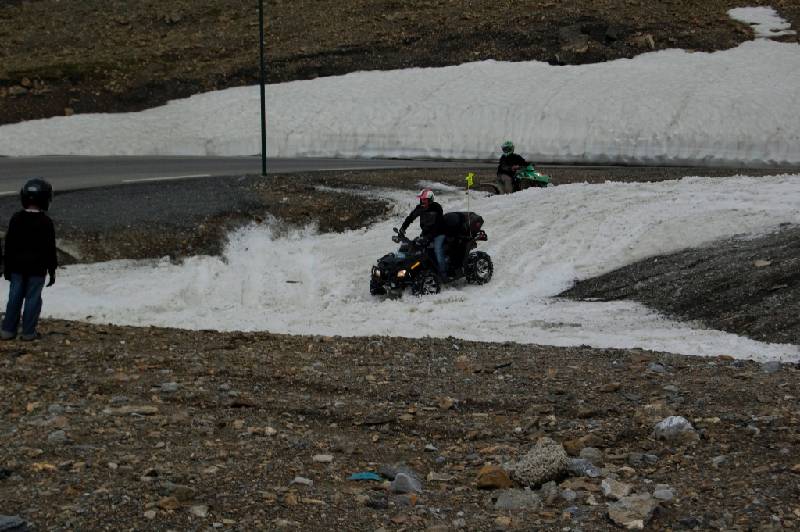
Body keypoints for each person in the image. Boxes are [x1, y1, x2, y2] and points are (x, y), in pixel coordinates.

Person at [1, 178, 57, 341]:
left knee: (14, 298)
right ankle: (28, 332)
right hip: (37, 269)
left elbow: (9, 245)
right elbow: (49, 249)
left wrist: (7, 267)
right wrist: (52, 270)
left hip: (17, 267)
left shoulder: (16, 218)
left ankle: (8, 330)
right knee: (33, 299)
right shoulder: (46, 222)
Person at [399, 187, 449, 280]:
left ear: (430, 200)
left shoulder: (436, 208)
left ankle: (443, 273)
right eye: (421, 200)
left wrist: (429, 236)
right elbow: (410, 218)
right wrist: (403, 228)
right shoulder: (420, 208)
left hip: (439, 233)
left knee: (437, 250)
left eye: (425, 200)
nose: (423, 202)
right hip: (426, 233)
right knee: (415, 249)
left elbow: (438, 225)